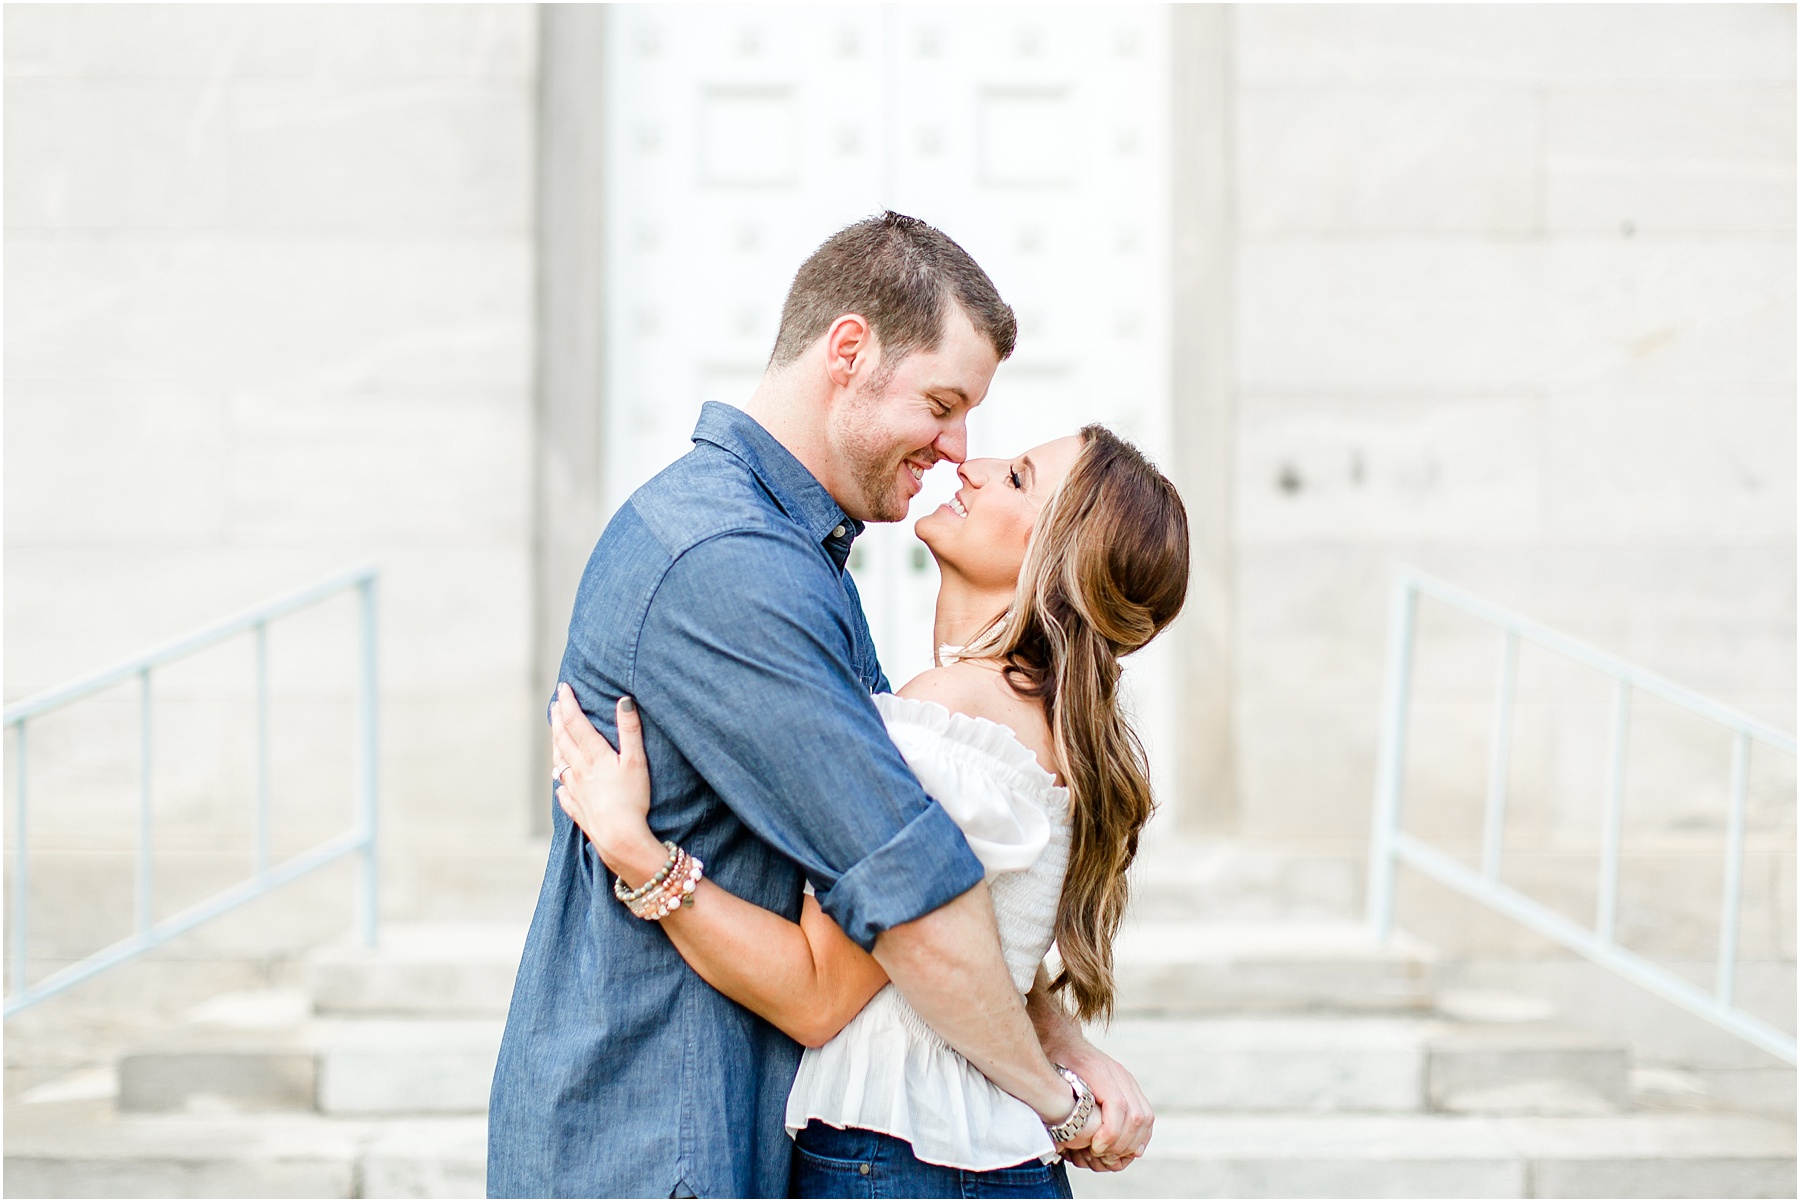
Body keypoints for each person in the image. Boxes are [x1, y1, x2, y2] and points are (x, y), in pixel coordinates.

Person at [487, 213, 1147, 1198]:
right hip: (655, 1138)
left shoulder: (787, 556)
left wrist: (1054, 1034)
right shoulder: (730, 567)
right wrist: (1058, 1099)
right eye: (942, 401)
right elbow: (908, 901)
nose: (957, 446)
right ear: (849, 350)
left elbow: (935, 878)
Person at [552, 423, 1189, 1197]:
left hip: (897, 1162)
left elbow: (816, 996)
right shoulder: (1031, 725)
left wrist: (639, 856)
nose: (974, 466)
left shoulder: (953, 715)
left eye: (1018, 478)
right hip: (974, 1161)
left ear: (1059, 560)